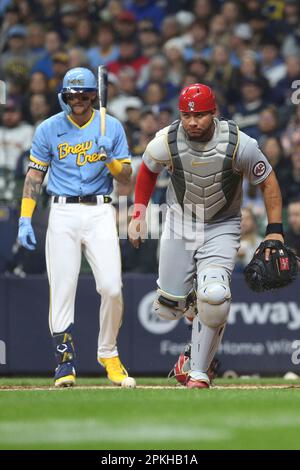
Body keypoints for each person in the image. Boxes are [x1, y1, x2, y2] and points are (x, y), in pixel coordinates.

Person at [128, 83, 284, 389]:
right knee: (166, 309)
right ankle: (190, 307)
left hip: (222, 225)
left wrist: (275, 232)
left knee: (215, 296)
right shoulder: (167, 140)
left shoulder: (240, 142)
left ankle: (197, 370)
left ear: (213, 112)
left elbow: (268, 181)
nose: (192, 122)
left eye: (199, 115)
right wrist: (138, 213)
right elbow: (147, 170)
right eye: (187, 115)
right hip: (181, 223)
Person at [17, 67, 133, 388]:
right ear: (63, 96)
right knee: (63, 288)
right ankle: (64, 363)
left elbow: (126, 177)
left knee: (111, 287)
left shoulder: (111, 126)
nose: (78, 101)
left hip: (99, 210)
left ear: (94, 95)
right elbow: (35, 176)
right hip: (63, 211)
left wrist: (109, 158)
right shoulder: (49, 129)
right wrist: (25, 217)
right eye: (72, 95)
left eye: (83, 95)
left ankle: (108, 352)